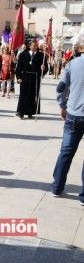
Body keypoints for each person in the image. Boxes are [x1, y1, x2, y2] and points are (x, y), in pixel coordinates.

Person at [51, 30, 84, 206]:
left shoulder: (73, 64)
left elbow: (61, 87)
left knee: (66, 151)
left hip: (73, 114)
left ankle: (57, 187)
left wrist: (62, 106)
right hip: (76, 113)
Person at [16, 40, 48, 119]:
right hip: (25, 76)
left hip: (35, 77)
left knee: (33, 95)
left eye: (36, 45)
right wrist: (19, 77)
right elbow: (19, 67)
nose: (35, 47)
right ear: (29, 46)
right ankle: (21, 112)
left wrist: (43, 69)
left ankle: (31, 112)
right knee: (23, 95)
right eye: (33, 45)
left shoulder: (41, 55)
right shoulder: (23, 54)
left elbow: (45, 68)